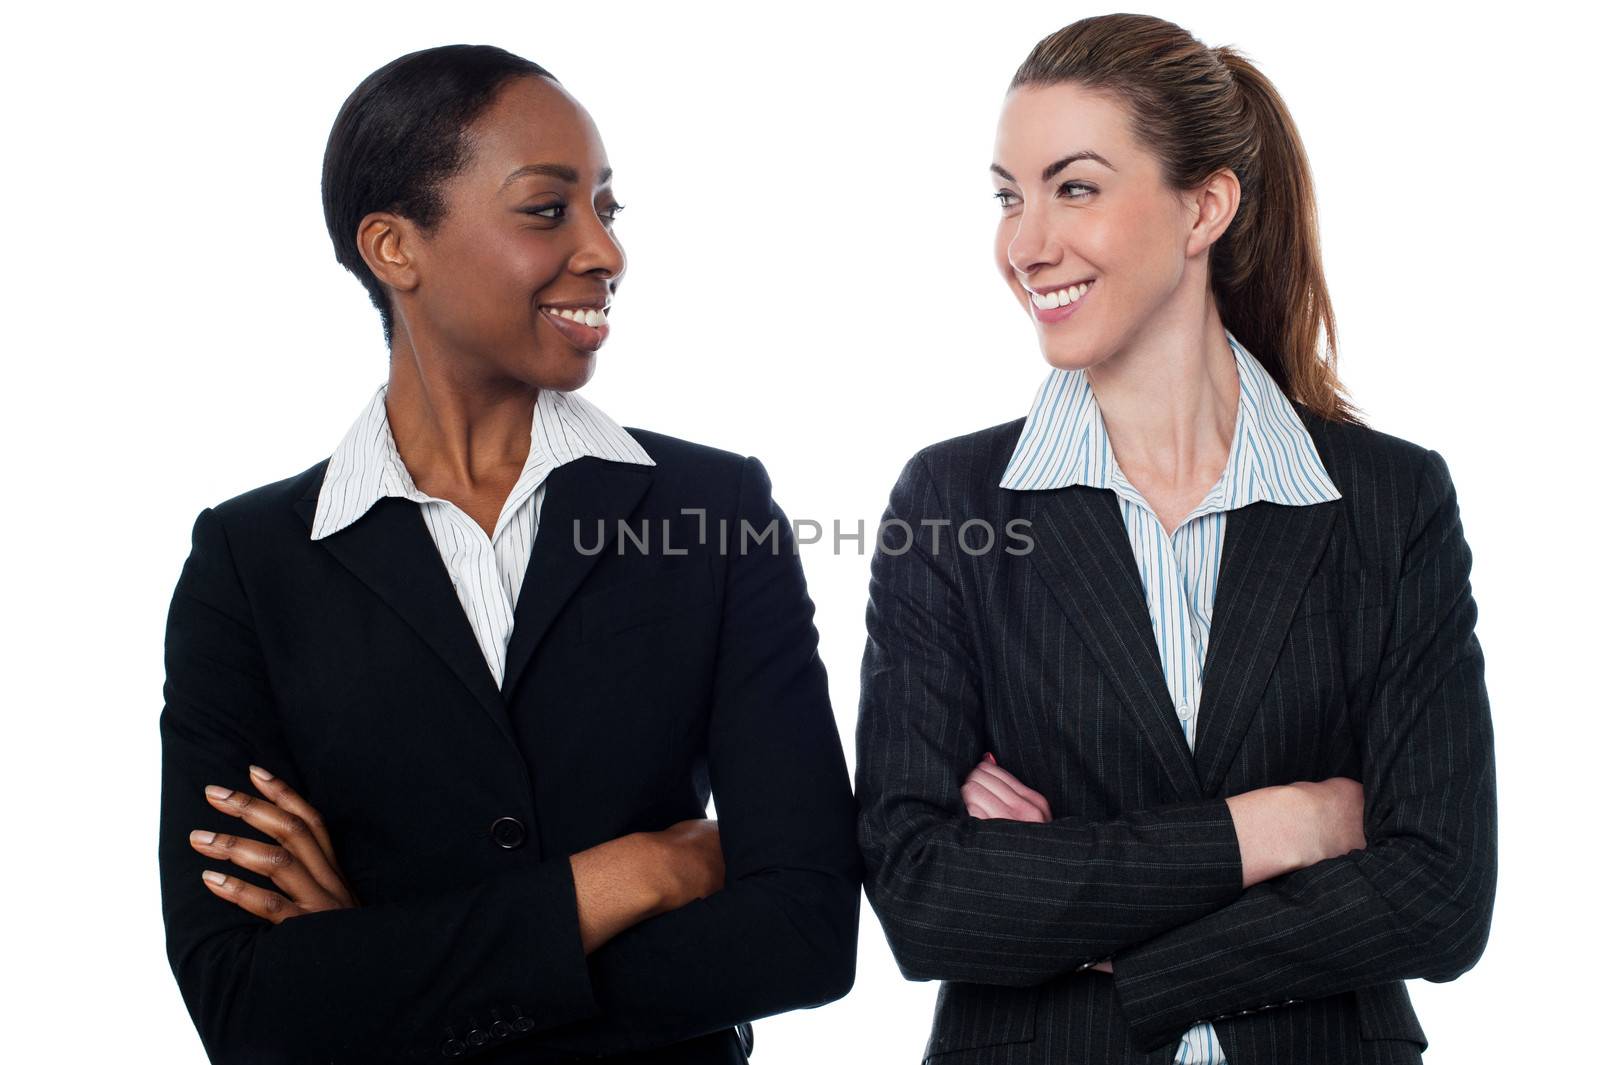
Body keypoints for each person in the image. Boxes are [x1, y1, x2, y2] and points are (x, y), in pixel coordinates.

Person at [157, 44, 859, 1065]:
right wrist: (628, 878)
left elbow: (804, 935)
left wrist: (377, 973)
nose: (604, 252)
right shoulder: (249, 564)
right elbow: (245, 1007)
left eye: (606, 211)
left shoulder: (713, 507)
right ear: (395, 248)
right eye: (547, 210)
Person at [855, 14, 1496, 1065]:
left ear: (1203, 207)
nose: (1025, 244)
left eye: (1074, 188)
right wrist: (1280, 830)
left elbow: (1439, 895)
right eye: (1009, 196)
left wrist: (1120, 943)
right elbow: (927, 896)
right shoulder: (951, 500)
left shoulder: (1386, 500)